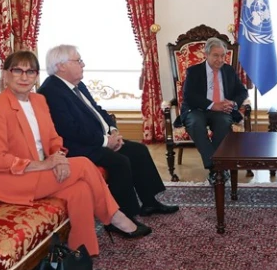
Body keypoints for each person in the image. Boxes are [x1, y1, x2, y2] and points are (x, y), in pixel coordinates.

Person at [0, 51, 150, 265]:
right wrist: (44, 164)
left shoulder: (38, 100)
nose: (24, 77)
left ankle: (81, 259)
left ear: (36, 76)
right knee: (84, 165)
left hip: (39, 172)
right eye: (17, 70)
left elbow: (53, 138)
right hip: (9, 180)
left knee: (81, 190)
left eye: (30, 71)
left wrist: (58, 158)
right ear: (5, 74)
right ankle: (115, 217)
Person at [38, 45, 178, 223]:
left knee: (138, 150)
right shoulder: (50, 92)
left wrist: (113, 130)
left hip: (97, 139)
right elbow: (69, 130)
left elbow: (98, 110)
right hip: (77, 148)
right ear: (61, 66)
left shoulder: (77, 85)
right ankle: (123, 216)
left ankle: (150, 203)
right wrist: (105, 142)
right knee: (120, 161)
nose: (83, 64)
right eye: (78, 61)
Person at [181, 37, 248, 184]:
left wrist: (233, 103)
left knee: (223, 122)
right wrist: (212, 105)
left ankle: (216, 169)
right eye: (216, 55)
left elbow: (242, 92)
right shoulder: (194, 71)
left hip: (222, 111)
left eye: (223, 55)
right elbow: (188, 96)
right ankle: (216, 167)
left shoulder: (228, 70)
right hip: (197, 109)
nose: (220, 59)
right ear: (206, 55)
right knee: (195, 123)